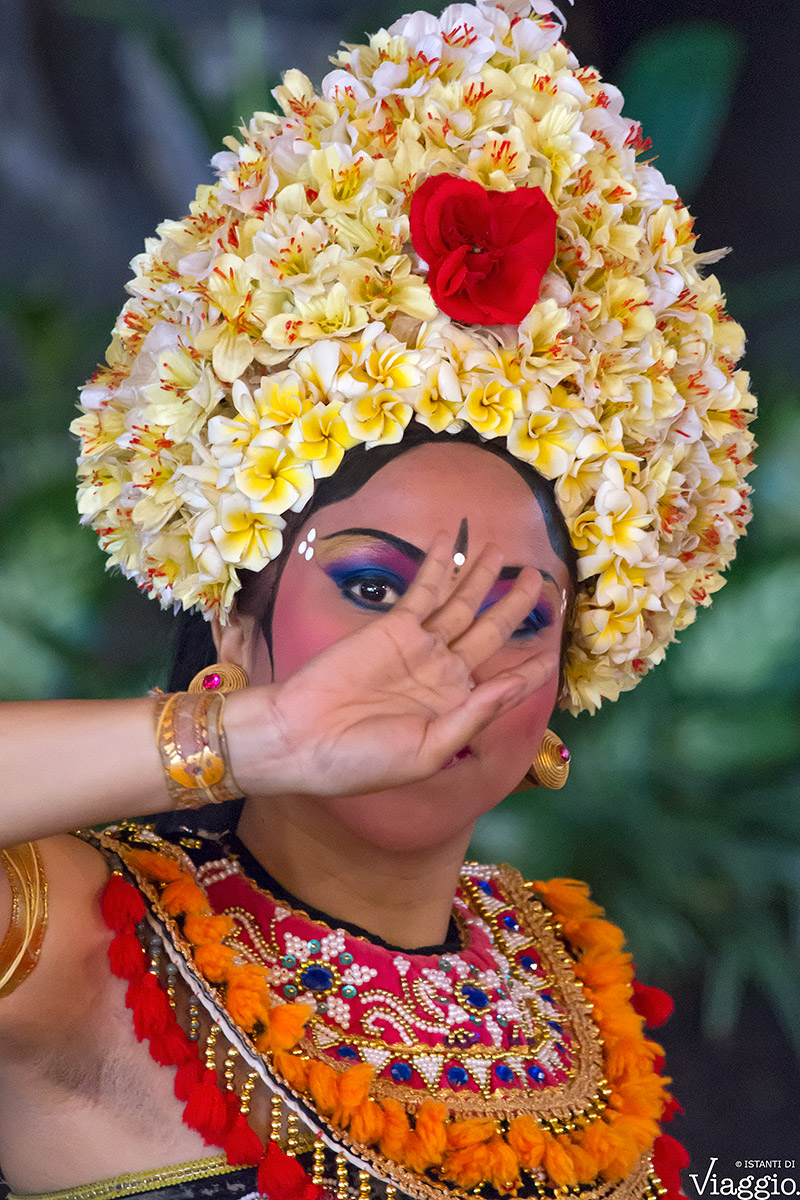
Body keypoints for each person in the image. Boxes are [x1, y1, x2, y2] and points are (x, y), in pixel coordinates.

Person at [0, 1, 755, 1198]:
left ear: (567, 687)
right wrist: (265, 739)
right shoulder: (83, 945)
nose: (434, 659)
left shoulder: (573, 1004)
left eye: (518, 617)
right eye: (369, 586)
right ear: (235, 626)